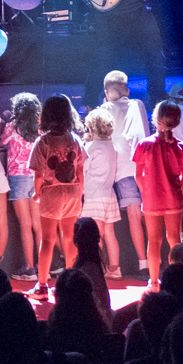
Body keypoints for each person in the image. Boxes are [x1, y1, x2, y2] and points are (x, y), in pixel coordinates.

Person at [133, 102, 183, 290]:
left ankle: (153, 282)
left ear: (156, 118)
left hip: (151, 200)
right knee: (174, 239)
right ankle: (175, 281)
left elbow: (138, 175)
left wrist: (147, 191)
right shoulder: (180, 146)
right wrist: (176, 187)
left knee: (153, 241)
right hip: (173, 199)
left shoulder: (144, 144)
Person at [29, 97, 85, 298]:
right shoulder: (74, 140)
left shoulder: (43, 142)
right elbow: (80, 170)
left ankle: (42, 285)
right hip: (72, 191)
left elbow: (38, 174)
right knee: (69, 238)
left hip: (51, 193)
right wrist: (80, 191)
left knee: (47, 239)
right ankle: (70, 283)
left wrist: (37, 192)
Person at [101, 71, 153, 273]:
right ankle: (157, 258)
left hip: (123, 168)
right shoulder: (138, 104)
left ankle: (143, 263)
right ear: (127, 89)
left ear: (107, 91)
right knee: (149, 213)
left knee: (133, 214)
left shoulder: (105, 108)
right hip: (146, 166)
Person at [1, 91, 41, 277]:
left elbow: (2, 141)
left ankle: (29, 267)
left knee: (25, 225)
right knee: (37, 225)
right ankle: (43, 266)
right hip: (37, 175)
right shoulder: (40, 126)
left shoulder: (13, 126)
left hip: (18, 176)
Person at [79, 109, 121, 276]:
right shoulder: (112, 147)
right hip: (109, 194)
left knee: (95, 235)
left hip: (94, 196)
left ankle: (97, 268)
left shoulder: (90, 147)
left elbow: (83, 170)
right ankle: (115, 268)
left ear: (91, 127)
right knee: (110, 233)